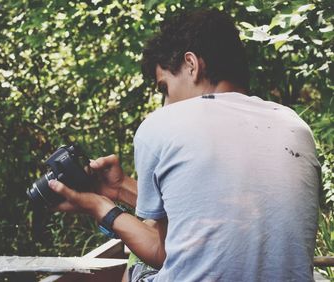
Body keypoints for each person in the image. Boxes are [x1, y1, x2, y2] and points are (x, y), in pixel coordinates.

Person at [49, 9, 320, 281]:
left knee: (137, 262)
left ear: (191, 65)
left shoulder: (162, 123)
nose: (166, 103)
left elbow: (159, 250)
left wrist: (98, 206)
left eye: (164, 88)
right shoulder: (295, 125)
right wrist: (120, 187)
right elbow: (204, 205)